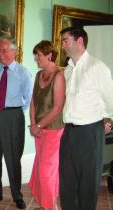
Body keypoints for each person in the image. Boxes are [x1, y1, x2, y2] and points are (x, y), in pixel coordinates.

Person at [59, 26, 113, 210]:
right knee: (67, 183)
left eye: (65, 40)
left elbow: (111, 100)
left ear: (79, 41)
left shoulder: (97, 67)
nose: (62, 45)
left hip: (90, 133)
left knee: (88, 185)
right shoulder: (68, 70)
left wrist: (108, 119)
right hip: (69, 133)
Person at [0, 36, 33, 209]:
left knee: (13, 158)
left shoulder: (23, 72)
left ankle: (17, 195)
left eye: (5, 50)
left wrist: (14, 112)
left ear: (14, 52)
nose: (1, 53)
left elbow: (28, 99)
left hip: (13, 116)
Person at [28, 40, 65, 210]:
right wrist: (33, 124)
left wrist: (39, 125)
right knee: (41, 169)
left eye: (39, 55)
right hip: (39, 130)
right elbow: (33, 102)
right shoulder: (38, 75)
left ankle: (51, 207)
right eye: (36, 55)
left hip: (54, 131)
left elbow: (57, 108)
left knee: (47, 171)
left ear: (49, 55)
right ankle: (47, 204)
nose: (36, 58)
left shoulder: (59, 76)